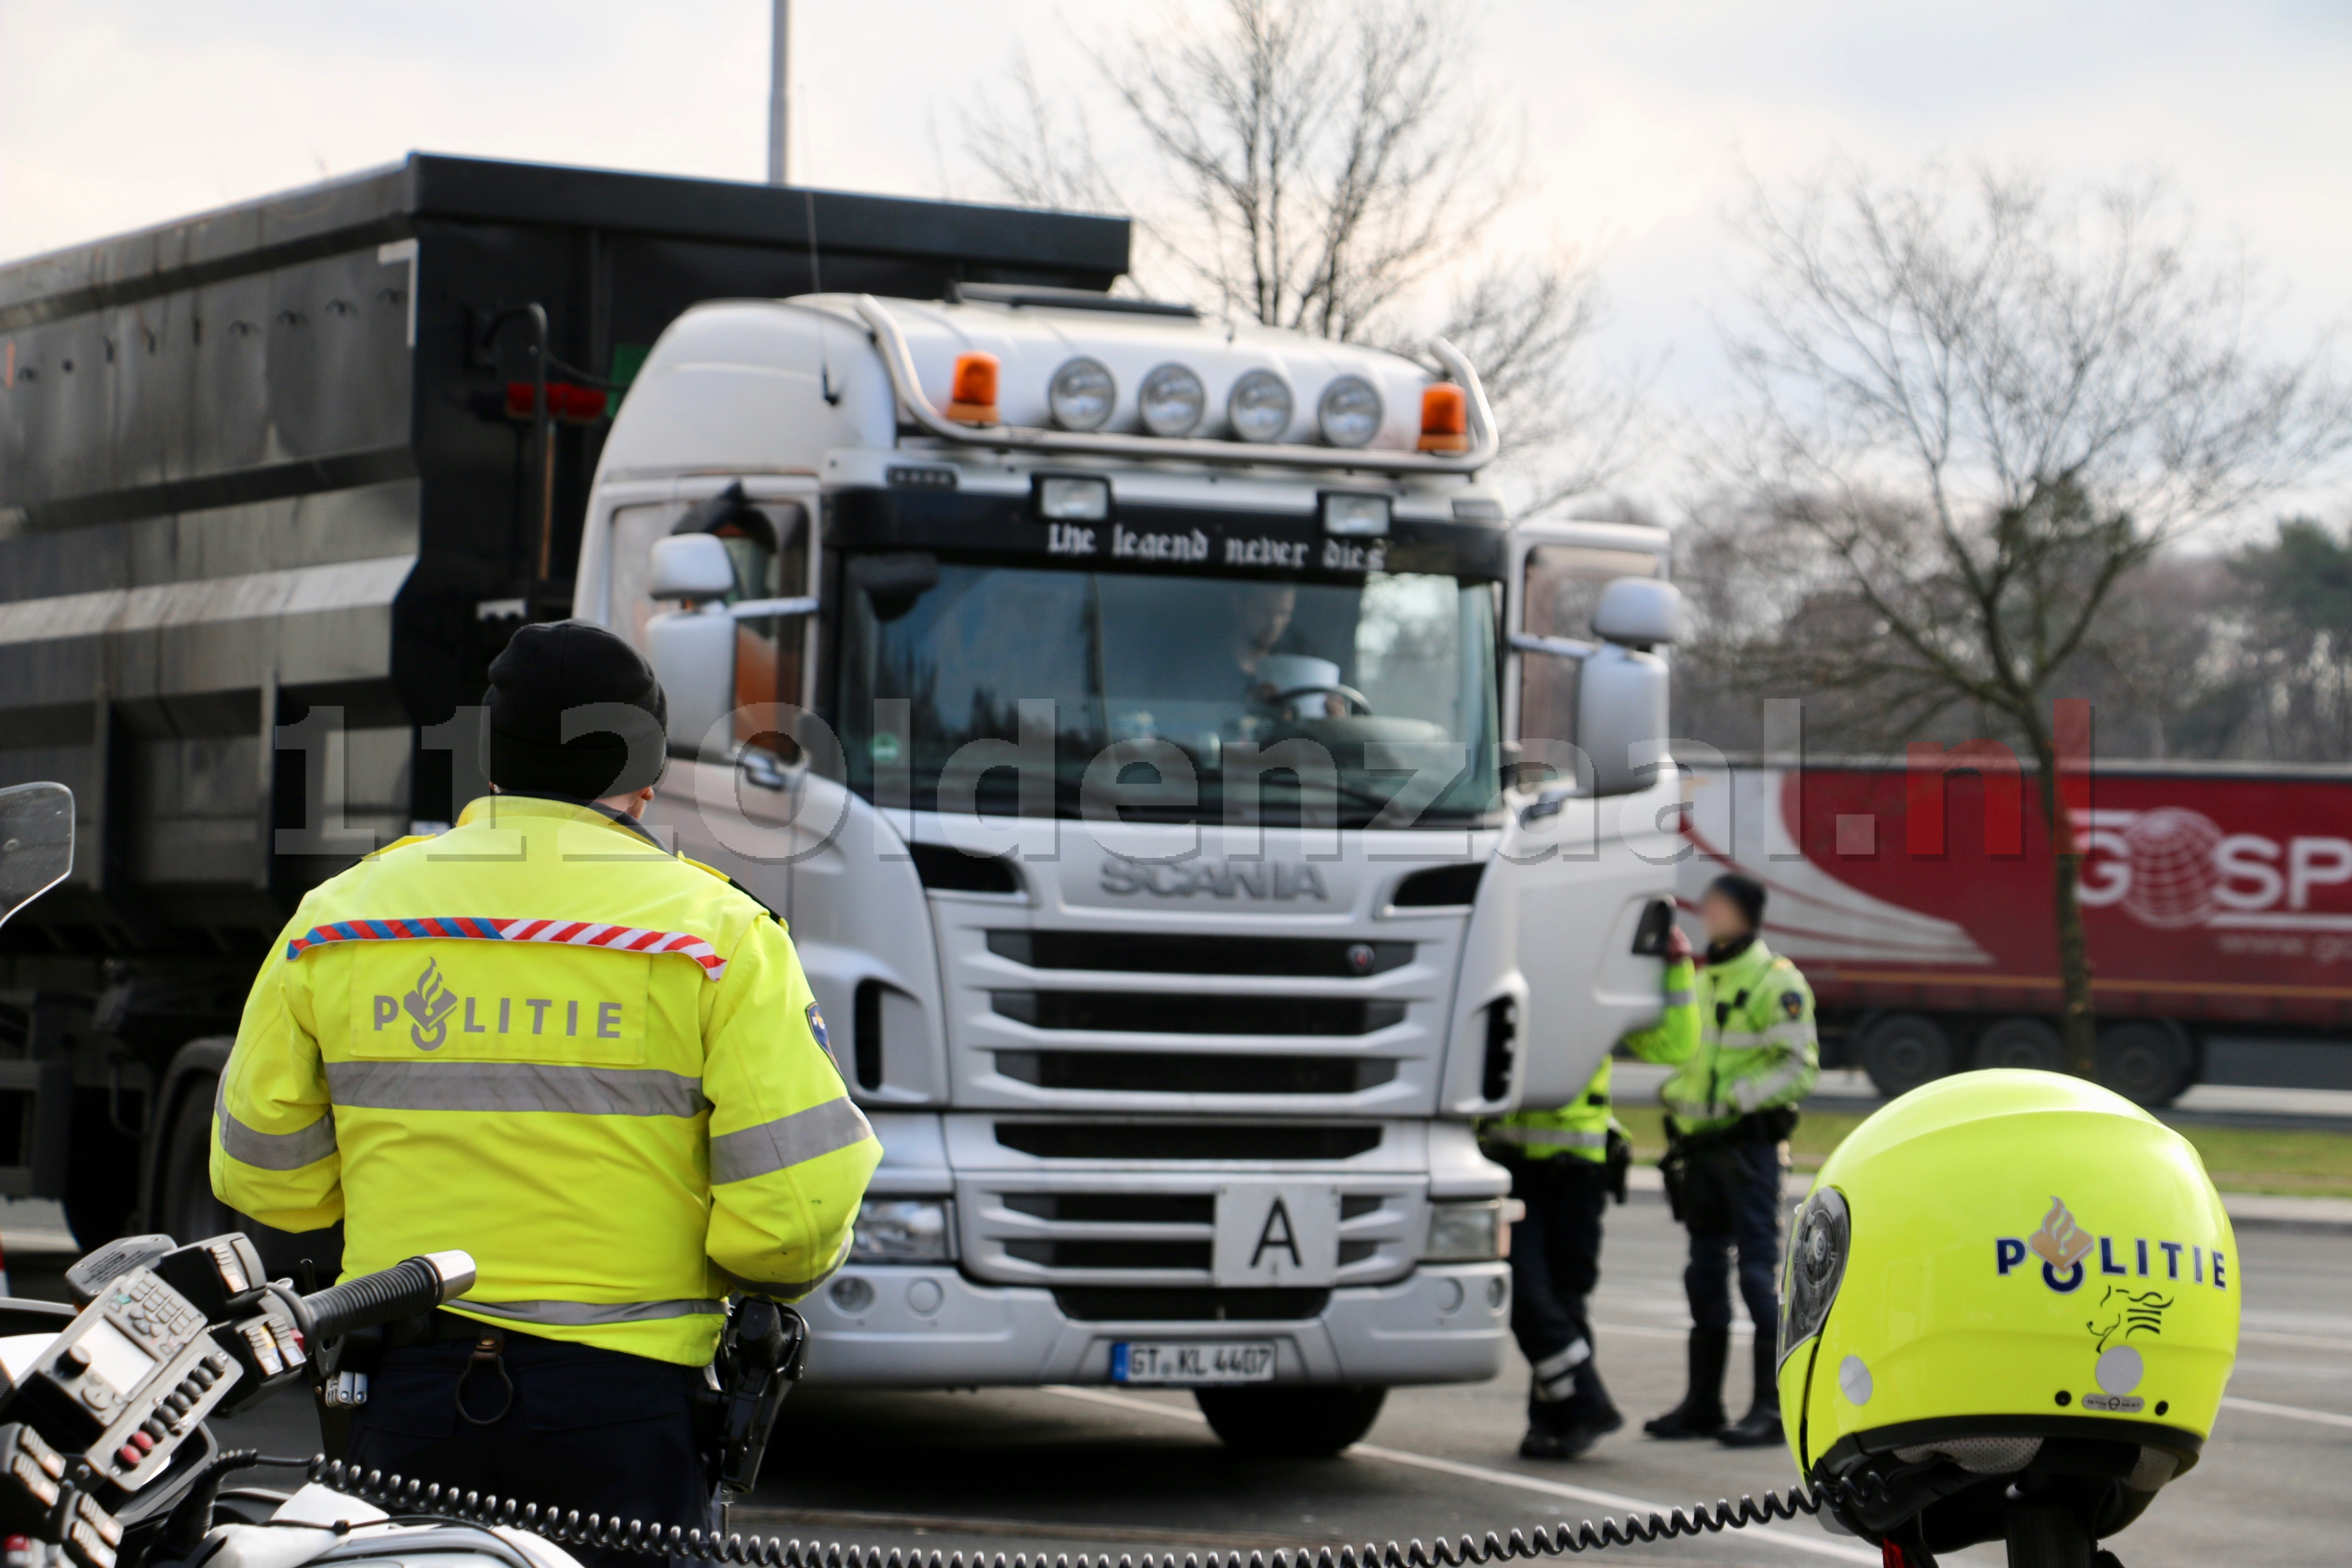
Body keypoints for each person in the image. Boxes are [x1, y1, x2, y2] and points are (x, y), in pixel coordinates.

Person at [211, 621, 880, 1557]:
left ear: (494, 759)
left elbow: (262, 1175)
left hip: (402, 1392)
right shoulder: (717, 935)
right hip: (626, 1414)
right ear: (645, 772)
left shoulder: (340, 921)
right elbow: (793, 1219)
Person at [1483, 924, 1699, 1459]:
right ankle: (1584, 1400)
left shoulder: (1597, 982)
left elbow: (1674, 1044)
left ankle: (1554, 1418)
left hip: (1578, 1164)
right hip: (1512, 1164)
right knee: (1529, 1296)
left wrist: (1677, 968)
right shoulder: (1498, 967)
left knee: (1565, 1296)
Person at [1636, 872, 1817, 1449]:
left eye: (1716, 903)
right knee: (1703, 1274)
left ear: (1743, 913)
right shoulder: (1700, 977)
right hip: (1701, 1152)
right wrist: (1677, 1097)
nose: (1706, 911)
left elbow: (1799, 1065)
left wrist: (1733, 1101)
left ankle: (1770, 1406)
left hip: (1749, 1150)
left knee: (1757, 1276)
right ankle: (1702, 1404)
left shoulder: (1776, 981)